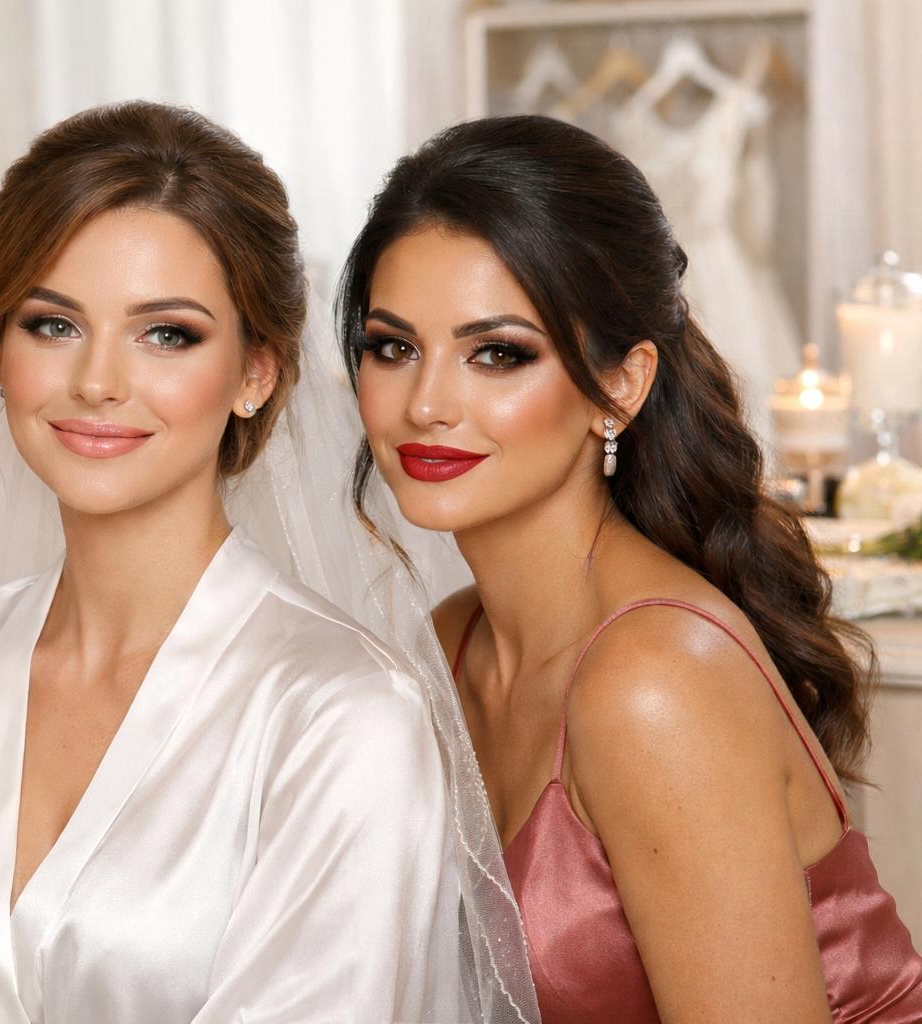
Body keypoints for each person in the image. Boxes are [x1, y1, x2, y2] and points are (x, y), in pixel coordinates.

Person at [0, 100, 531, 1024]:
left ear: (256, 373)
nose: (98, 381)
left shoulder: (343, 715)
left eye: (166, 334)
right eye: (52, 325)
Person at [343, 113, 922, 1023]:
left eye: (498, 353)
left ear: (620, 385)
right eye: (395, 346)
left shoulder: (653, 683)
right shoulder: (452, 645)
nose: (426, 403)